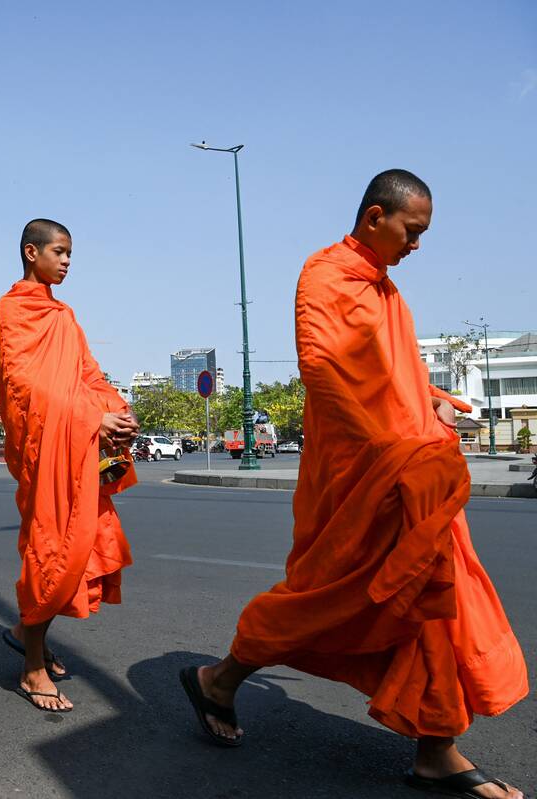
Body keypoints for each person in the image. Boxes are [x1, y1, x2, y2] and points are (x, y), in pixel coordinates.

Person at [180, 171, 528, 799]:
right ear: (375, 217)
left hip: (410, 473)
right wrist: (387, 452)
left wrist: (434, 402)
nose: (417, 246)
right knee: (327, 599)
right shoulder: (327, 275)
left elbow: (395, 376)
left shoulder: (388, 291)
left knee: (430, 599)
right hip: (360, 475)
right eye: (412, 231)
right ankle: (219, 680)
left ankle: (435, 749)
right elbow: (322, 372)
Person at [0, 219, 138, 712]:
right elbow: (26, 389)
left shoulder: (64, 316)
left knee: (80, 547)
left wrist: (117, 410)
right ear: (31, 253)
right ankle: (32, 669)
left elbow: (86, 373)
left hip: (76, 447)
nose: (68, 261)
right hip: (46, 451)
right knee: (51, 552)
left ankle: (25, 635)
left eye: (71, 253)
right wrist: (93, 417)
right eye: (60, 251)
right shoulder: (13, 310)